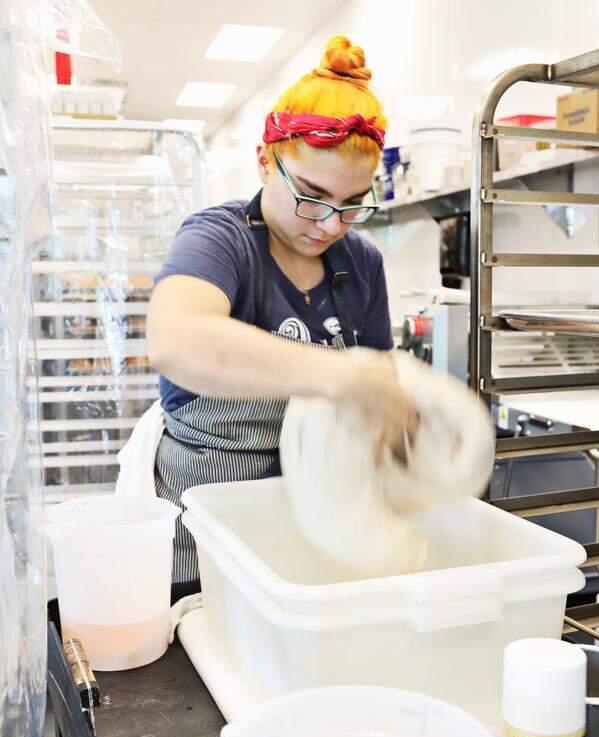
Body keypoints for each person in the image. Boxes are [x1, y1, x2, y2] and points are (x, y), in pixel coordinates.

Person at [144, 35, 418, 601]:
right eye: (312, 195)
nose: (329, 224)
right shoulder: (220, 239)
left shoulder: (361, 262)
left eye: (352, 204)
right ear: (266, 161)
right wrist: (339, 375)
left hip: (314, 523)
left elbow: (380, 406)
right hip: (205, 534)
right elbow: (176, 340)